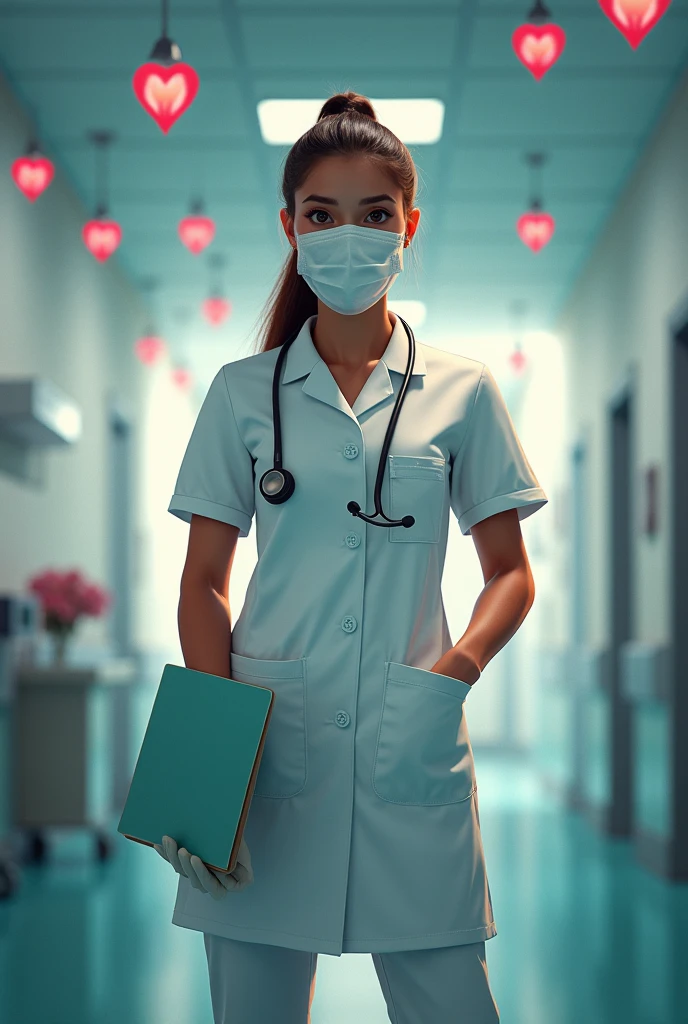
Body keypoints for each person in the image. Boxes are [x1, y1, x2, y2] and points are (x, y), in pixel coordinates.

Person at [156, 90, 548, 1024]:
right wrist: (213, 757)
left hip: (408, 740)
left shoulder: (463, 392)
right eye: (322, 216)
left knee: (452, 1004)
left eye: (375, 215)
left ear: (409, 225)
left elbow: (511, 574)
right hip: (262, 748)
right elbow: (203, 584)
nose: (348, 237)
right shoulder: (242, 393)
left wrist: (449, 675)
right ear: (289, 227)